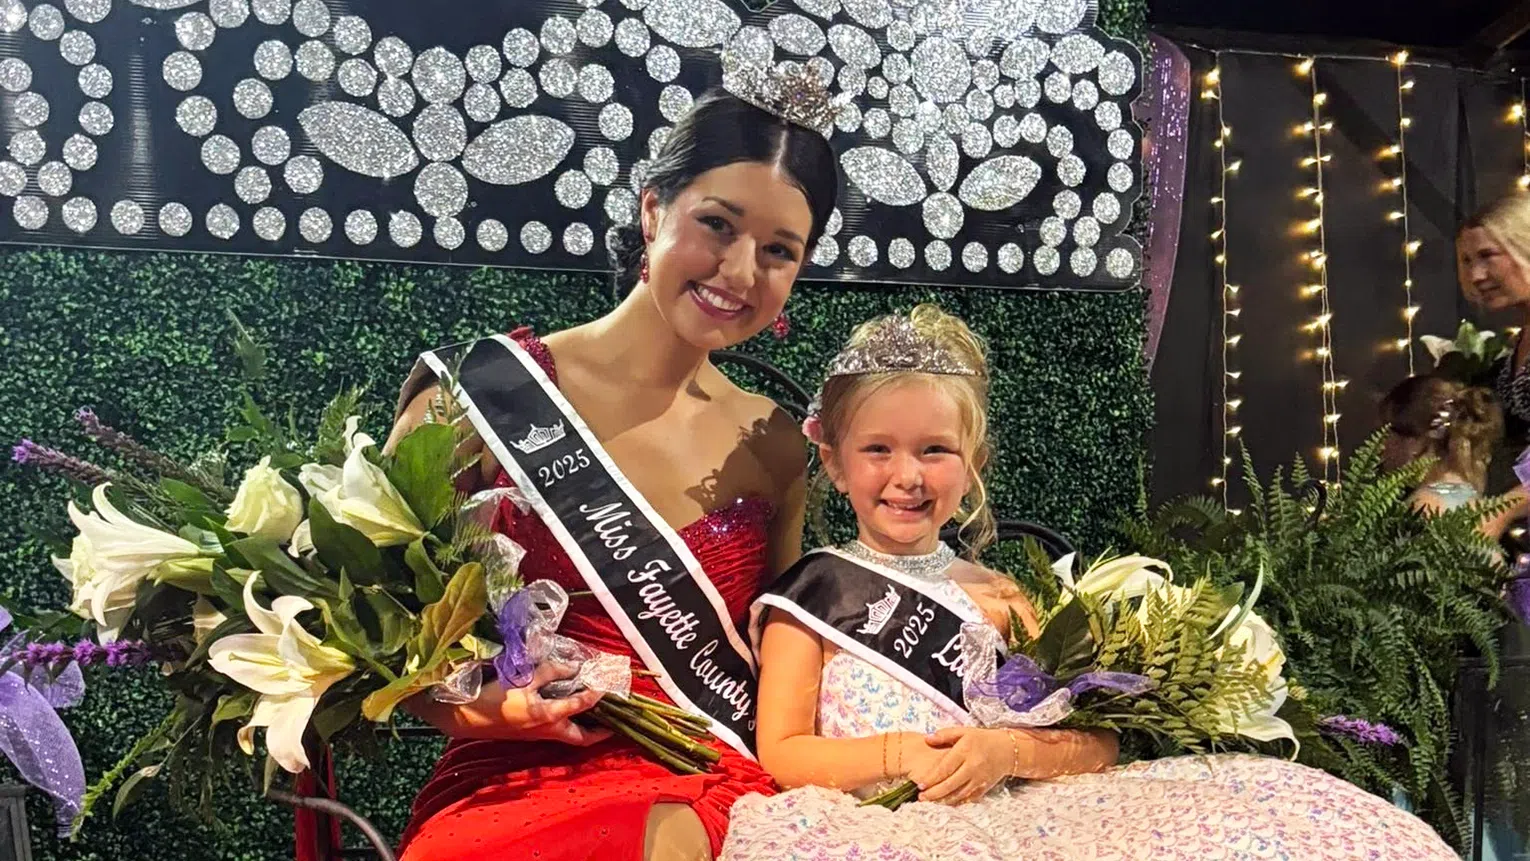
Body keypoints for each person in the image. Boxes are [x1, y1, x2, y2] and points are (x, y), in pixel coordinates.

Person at [720, 305, 1457, 860]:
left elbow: (1096, 743)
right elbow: (781, 747)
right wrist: (903, 753)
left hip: (1026, 813)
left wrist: (1006, 753)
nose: (907, 475)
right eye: (877, 448)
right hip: (879, 823)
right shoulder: (814, 595)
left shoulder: (1003, 595)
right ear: (839, 462)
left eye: (935, 449)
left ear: (972, 459)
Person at [381, 81, 840, 861]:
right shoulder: (473, 400)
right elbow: (382, 627)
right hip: (511, 769)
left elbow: (785, 658)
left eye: (778, 251)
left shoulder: (772, 445)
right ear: (654, 209)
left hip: (703, 761)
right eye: (716, 225)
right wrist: (473, 709)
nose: (738, 270)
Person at [1380, 373, 1527, 539]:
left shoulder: (1423, 508)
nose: (1380, 446)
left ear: (1414, 443)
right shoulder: (1469, 496)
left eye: (1385, 433)